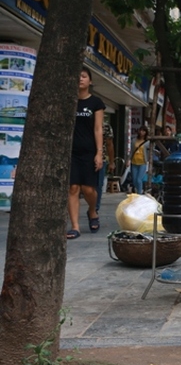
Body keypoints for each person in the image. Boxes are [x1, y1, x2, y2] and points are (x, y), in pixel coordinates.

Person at [67, 67, 105, 239]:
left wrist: (99, 152)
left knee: (88, 189)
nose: (80, 79)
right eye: (78, 76)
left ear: (90, 81)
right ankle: (75, 226)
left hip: (89, 151)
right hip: (71, 152)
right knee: (73, 187)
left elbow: (98, 129)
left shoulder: (96, 103)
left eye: (83, 76)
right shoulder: (68, 101)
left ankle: (92, 211)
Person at [96, 118, 115, 214]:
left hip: (101, 159)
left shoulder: (106, 126)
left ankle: (95, 209)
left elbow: (109, 144)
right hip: (83, 158)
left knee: (98, 185)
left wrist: (111, 162)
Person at [128, 126, 150, 194]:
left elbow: (150, 152)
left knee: (138, 179)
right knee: (134, 180)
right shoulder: (134, 140)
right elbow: (131, 151)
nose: (141, 132)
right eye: (141, 130)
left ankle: (139, 193)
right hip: (134, 161)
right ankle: (138, 190)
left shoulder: (147, 142)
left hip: (142, 162)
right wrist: (128, 159)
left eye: (143, 131)